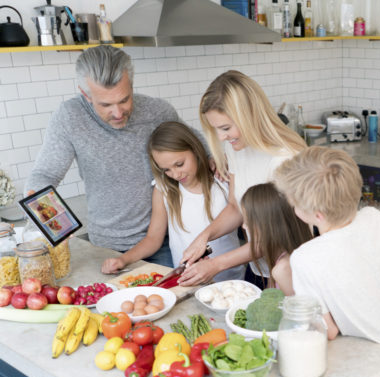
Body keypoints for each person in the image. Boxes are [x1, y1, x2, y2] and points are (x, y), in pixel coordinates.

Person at [25, 46, 207, 267]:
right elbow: (45, 173)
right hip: (104, 248)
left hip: (160, 244)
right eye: (106, 104)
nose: (118, 113)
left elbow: (194, 142)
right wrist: (41, 208)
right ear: (86, 95)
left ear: (131, 85)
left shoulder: (157, 111)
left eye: (124, 100)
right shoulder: (70, 117)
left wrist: (215, 159)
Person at [274, 146, 380, 348]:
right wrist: (362, 293)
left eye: (294, 204)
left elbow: (329, 331)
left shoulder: (304, 258)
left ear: (318, 215)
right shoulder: (374, 217)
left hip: (368, 352)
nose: (293, 208)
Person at [177, 70, 306, 286]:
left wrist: (216, 264)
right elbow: (236, 207)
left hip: (289, 275)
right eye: (215, 129)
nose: (221, 137)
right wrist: (203, 237)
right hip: (257, 268)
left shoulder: (284, 160)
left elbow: (274, 235)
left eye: (226, 128)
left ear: (249, 116)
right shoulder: (236, 148)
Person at [101, 122, 243, 282]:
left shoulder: (223, 179)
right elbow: (153, 239)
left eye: (179, 164)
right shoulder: (164, 189)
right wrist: (123, 259)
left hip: (230, 281)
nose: (175, 174)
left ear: (195, 150)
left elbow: (237, 213)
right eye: (166, 169)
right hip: (188, 282)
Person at [239, 183, 313, 295]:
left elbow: (295, 311)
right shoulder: (281, 256)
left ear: (268, 225)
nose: (244, 226)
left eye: (248, 220)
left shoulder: (282, 269)